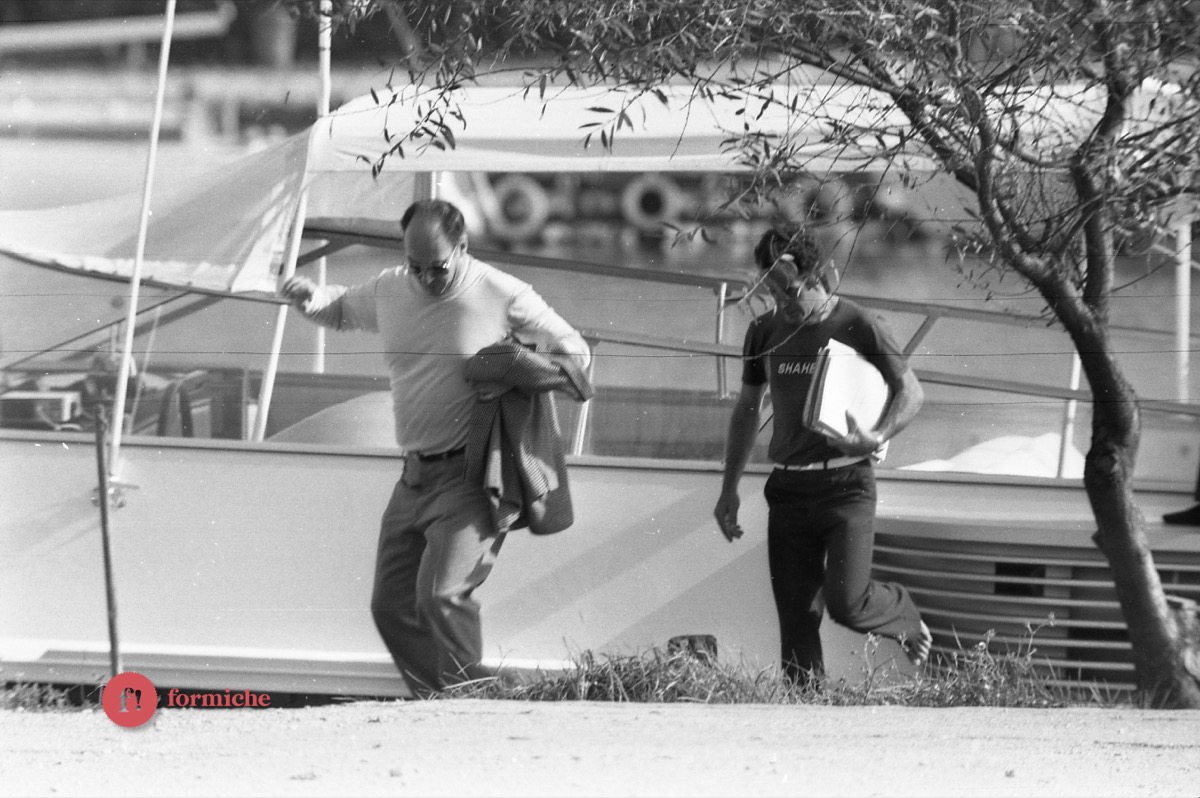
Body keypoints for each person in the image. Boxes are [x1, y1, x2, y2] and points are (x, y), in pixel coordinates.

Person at [281, 199, 590, 696]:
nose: (426, 278)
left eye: (438, 268)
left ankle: (474, 698)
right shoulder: (391, 288)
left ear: (463, 247)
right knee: (390, 606)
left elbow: (575, 349)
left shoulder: (501, 291)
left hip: (471, 477)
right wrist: (308, 297)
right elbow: (339, 309)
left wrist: (523, 368)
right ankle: (447, 698)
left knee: (443, 596)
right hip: (413, 478)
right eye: (416, 266)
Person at [713, 225, 932, 684]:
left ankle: (903, 613)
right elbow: (747, 410)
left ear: (818, 276)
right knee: (796, 621)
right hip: (788, 488)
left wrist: (875, 436)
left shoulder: (860, 324)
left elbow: (911, 392)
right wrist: (728, 488)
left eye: (790, 291)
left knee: (847, 604)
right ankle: (805, 708)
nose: (782, 303)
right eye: (771, 292)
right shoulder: (764, 331)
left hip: (846, 487)